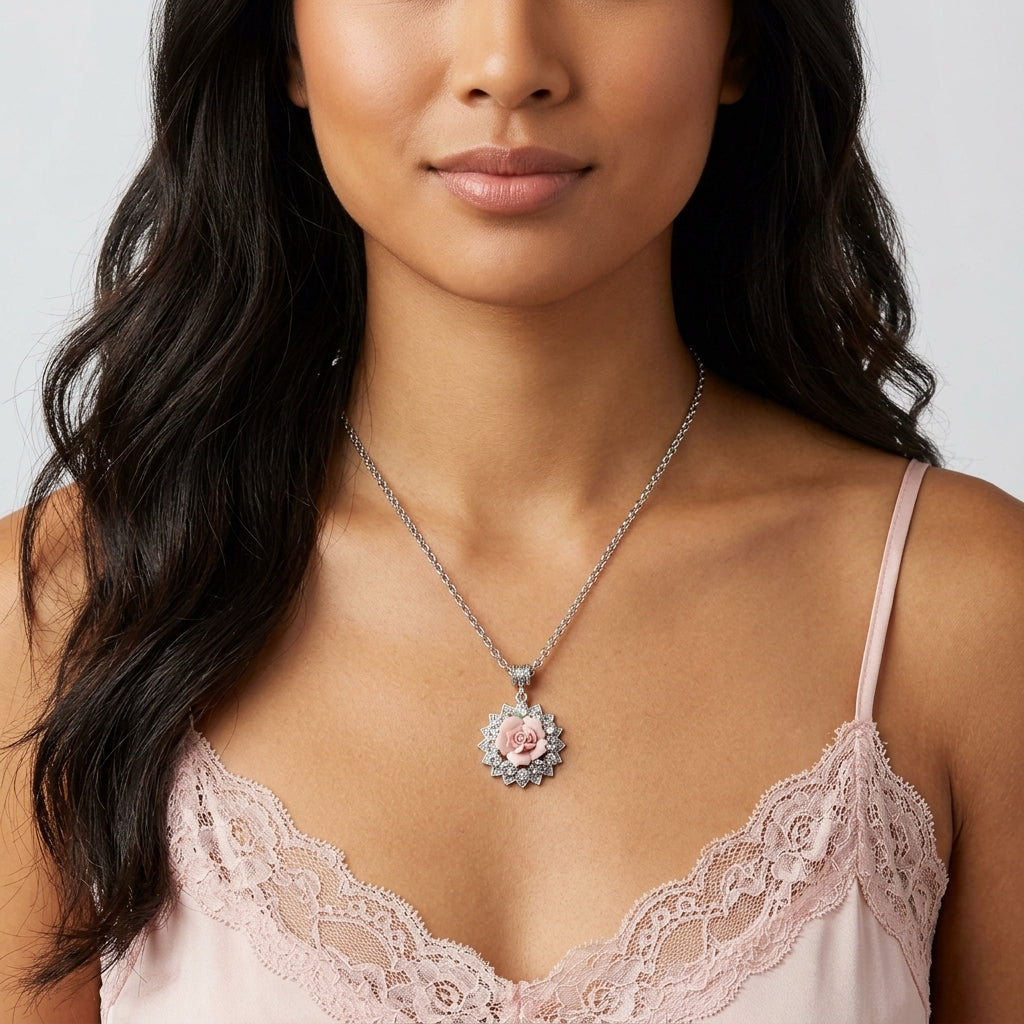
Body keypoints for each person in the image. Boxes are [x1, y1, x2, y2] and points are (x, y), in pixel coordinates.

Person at [2, 0, 1022, 1020]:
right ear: (284, 42)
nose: (508, 63)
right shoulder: (52, 615)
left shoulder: (963, 608)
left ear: (743, 38)